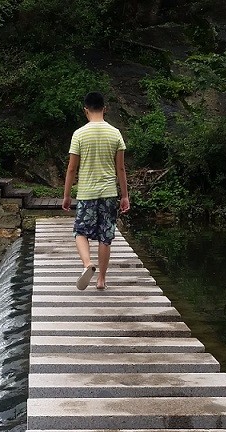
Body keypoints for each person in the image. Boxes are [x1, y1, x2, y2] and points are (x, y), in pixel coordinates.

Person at [61, 91, 130, 291]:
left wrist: (66, 195)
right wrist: (125, 195)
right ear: (105, 109)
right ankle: (101, 279)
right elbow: (121, 169)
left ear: (85, 110)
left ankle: (86, 264)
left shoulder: (79, 134)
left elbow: (72, 168)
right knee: (105, 237)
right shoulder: (115, 133)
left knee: (80, 232)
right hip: (109, 193)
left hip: (86, 194)